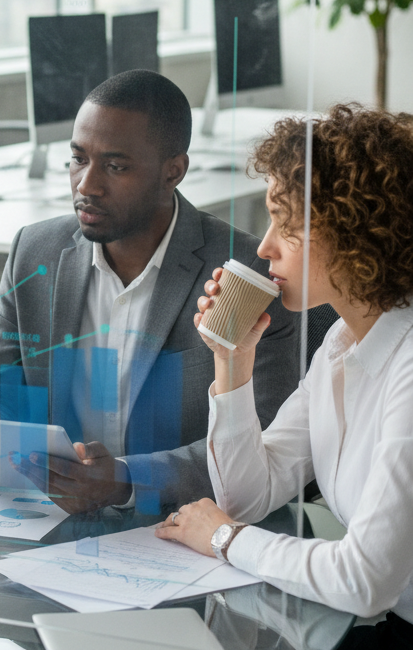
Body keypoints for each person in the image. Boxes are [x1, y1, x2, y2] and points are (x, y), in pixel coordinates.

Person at [0, 70, 298, 515]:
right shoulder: (36, 252)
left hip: (192, 528)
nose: (86, 185)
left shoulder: (244, 274)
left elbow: (263, 443)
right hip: (52, 526)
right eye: (78, 159)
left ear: (173, 171)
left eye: (115, 166)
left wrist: (126, 481)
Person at [156, 104, 413, 647]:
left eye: (286, 223)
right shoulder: (343, 346)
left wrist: (225, 538)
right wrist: (232, 361)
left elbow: (364, 580)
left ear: (351, 230)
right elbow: (251, 497)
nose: (264, 246)